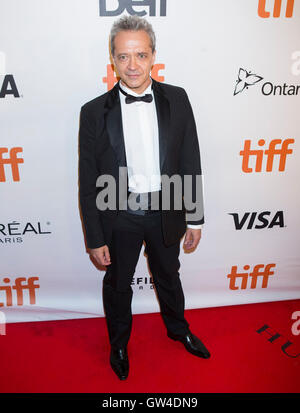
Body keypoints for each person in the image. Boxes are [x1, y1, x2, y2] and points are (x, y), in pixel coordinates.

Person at [79, 15, 210, 381]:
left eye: (140, 55)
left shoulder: (178, 99)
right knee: (118, 284)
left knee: (169, 274)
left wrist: (195, 217)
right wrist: (95, 237)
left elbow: (190, 160)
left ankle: (178, 328)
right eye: (123, 57)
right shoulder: (92, 112)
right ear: (113, 59)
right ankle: (119, 344)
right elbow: (87, 181)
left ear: (153, 56)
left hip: (167, 209)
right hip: (118, 214)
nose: (132, 65)